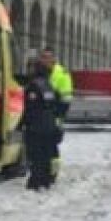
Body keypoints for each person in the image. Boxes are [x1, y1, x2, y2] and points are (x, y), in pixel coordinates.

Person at [18, 58, 59, 190]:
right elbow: (55, 104)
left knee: (35, 153)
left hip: (36, 126)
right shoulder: (48, 85)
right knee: (46, 153)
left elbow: (30, 108)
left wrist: (21, 124)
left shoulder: (33, 86)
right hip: (49, 124)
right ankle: (46, 180)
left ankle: (35, 181)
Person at [40, 47, 73, 180]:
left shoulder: (62, 74)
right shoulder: (39, 72)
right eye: (43, 57)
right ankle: (41, 170)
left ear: (54, 58)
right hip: (40, 116)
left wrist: (58, 116)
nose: (46, 60)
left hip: (55, 115)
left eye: (48, 57)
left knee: (52, 147)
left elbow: (66, 99)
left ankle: (53, 173)